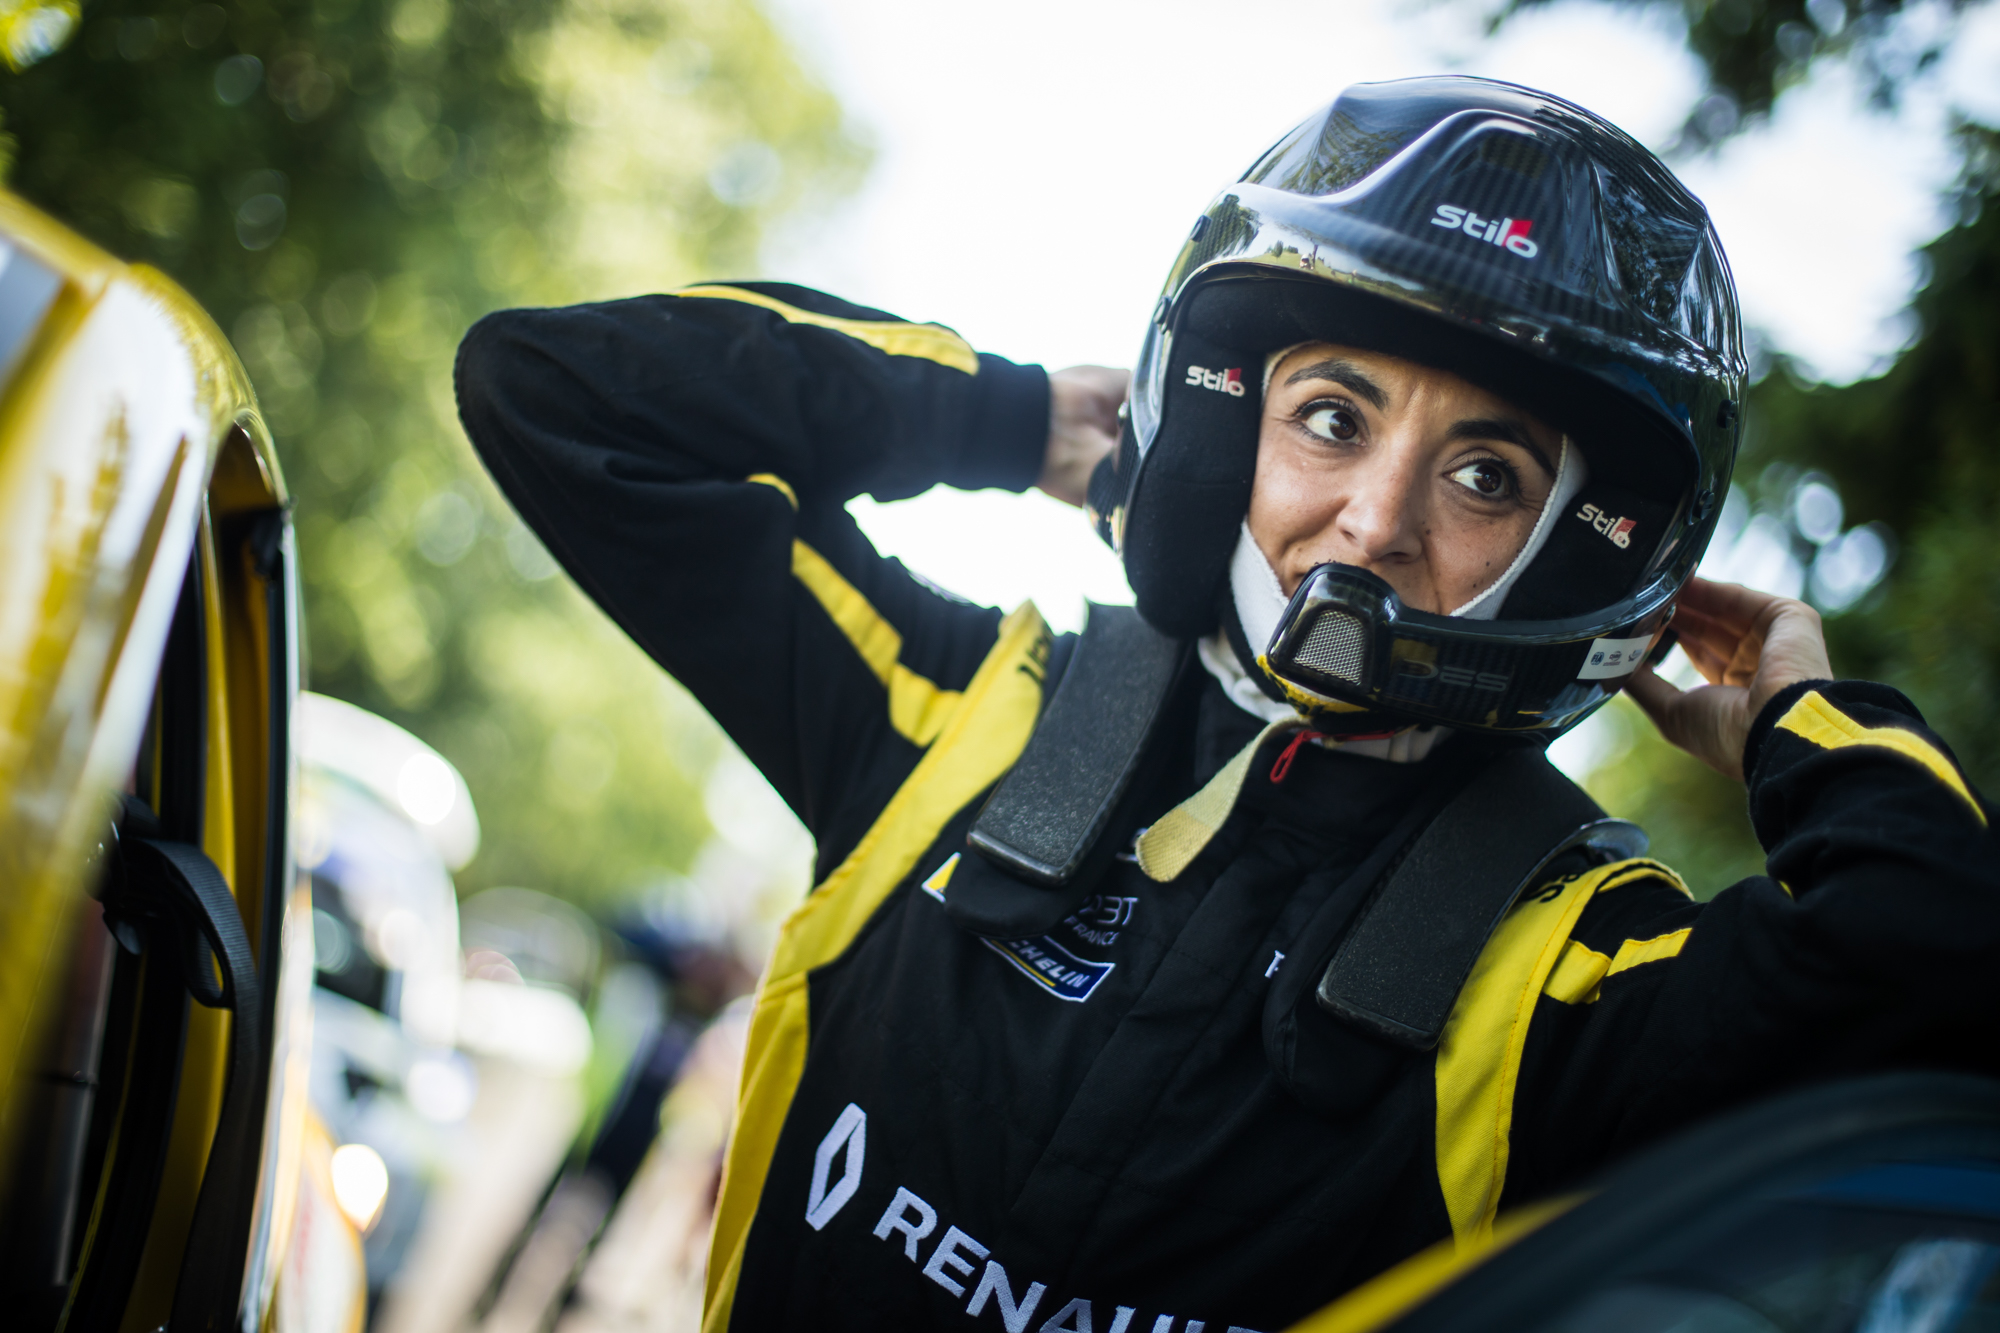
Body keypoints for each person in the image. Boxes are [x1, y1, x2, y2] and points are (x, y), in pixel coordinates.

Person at [454, 77, 1997, 1333]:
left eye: (1485, 475)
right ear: (1220, 427)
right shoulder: (962, 721)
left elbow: (1937, 954)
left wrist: (1797, 716)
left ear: (1575, 554)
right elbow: (554, 391)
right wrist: (999, 415)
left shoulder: (1563, 978)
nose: (1374, 521)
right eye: (1330, 416)